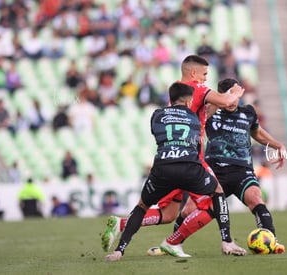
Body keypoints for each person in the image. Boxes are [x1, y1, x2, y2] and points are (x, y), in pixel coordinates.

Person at [102, 55, 246, 257]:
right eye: (204, 74)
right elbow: (225, 101)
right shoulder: (198, 88)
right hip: (193, 159)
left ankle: (123, 224)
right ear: (193, 74)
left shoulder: (179, 91)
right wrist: (235, 93)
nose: (206, 79)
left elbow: (204, 113)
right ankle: (215, 242)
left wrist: (222, 102)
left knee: (169, 214)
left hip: (169, 158)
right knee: (215, 198)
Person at [160, 78, 286, 255]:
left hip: (242, 171)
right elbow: (194, 120)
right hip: (215, 171)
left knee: (256, 199)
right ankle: (172, 244)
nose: (234, 102)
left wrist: (277, 145)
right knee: (189, 210)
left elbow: (256, 133)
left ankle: (272, 241)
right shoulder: (210, 112)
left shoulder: (248, 112)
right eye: (230, 97)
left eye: (236, 97)